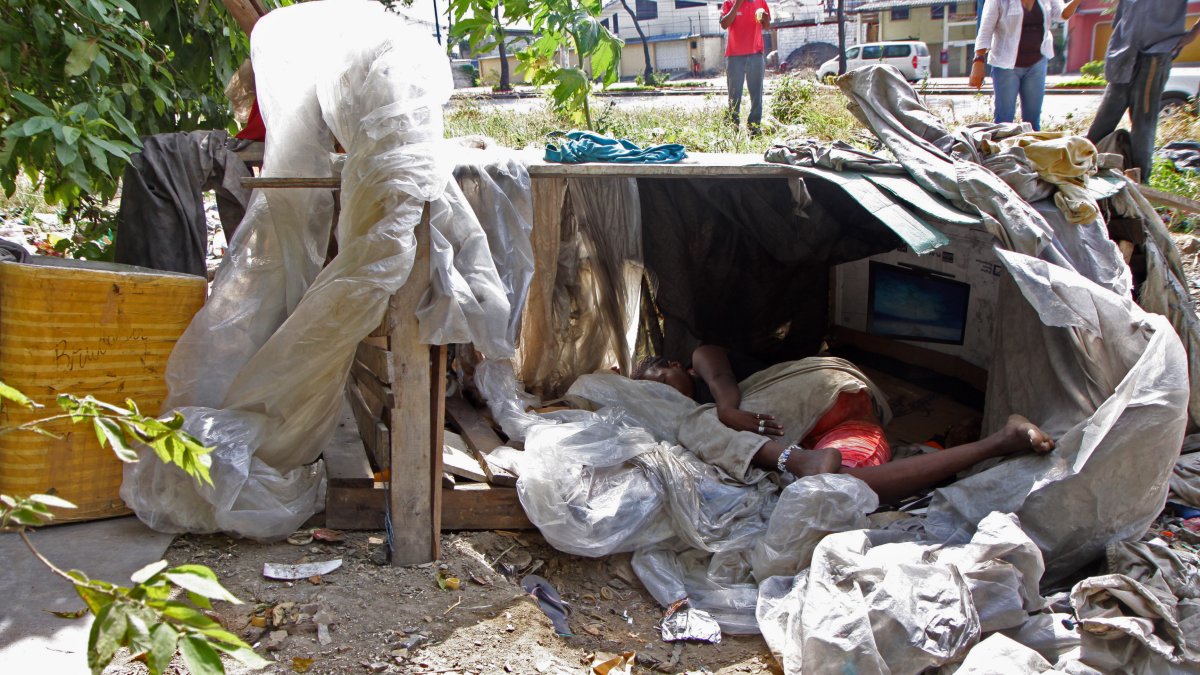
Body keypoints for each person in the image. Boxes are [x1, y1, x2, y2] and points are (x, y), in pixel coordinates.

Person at [634, 345, 1055, 504]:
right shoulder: (698, 405)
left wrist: (726, 410)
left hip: (815, 387)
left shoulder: (704, 360)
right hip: (843, 414)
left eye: (665, 380)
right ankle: (1001, 440)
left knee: (694, 423)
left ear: (676, 364)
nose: (670, 392)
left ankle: (796, 462)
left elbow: (721, 378)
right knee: (853, 483)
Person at [1085, 0, 1200, 183]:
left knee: (1143, 123)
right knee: (1104, 120)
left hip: (1155, 54)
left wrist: (1193, 33)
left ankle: (1140, 183)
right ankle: (1079, 170)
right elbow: (1122, 14)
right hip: (1123, 54)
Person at [970, 0, 1082, 131]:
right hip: (1006, 65)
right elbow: (985, 30)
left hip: (1037, 63)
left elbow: (1061, 15)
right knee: (1004, 121)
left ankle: (1031, 150)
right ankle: (1004, 150)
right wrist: (978, 62)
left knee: (1032, 121)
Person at [720, 0, 771, 134]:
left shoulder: (761, 2)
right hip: (734, 57)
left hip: (756, 55)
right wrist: (738, 5)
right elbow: (724, 24)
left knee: (756, 95)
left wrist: (766, 20)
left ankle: (754, 128)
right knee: (734, 95)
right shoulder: (729, 3)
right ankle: (733, 128)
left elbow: (767, 26)